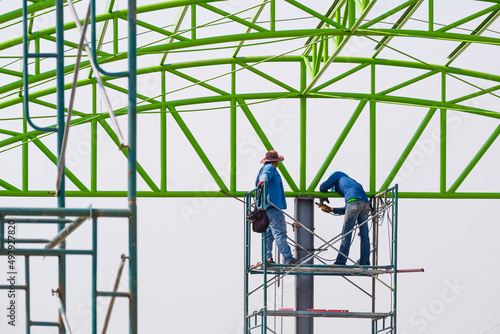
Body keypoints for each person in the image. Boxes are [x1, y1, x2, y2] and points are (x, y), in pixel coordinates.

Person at [319, 171, 371, 266]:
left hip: (354, 204)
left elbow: (322, 187)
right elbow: (350, 208)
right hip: (365, 205)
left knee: (346, 234)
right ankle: (365, 262)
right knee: (364, 235)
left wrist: (324, 195)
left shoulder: (338, 175)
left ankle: (340, 262)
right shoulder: (353, 184)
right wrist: (332, 209)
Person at [255, 150, 297, 265]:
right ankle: (288, 258)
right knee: (279, 233)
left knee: (268, 235)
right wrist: (263, 181)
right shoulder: (270, 168)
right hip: (272, 207)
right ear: (275, 162)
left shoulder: (264, 168)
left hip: (266, 207)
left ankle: (267, 258)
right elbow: (264, 177)